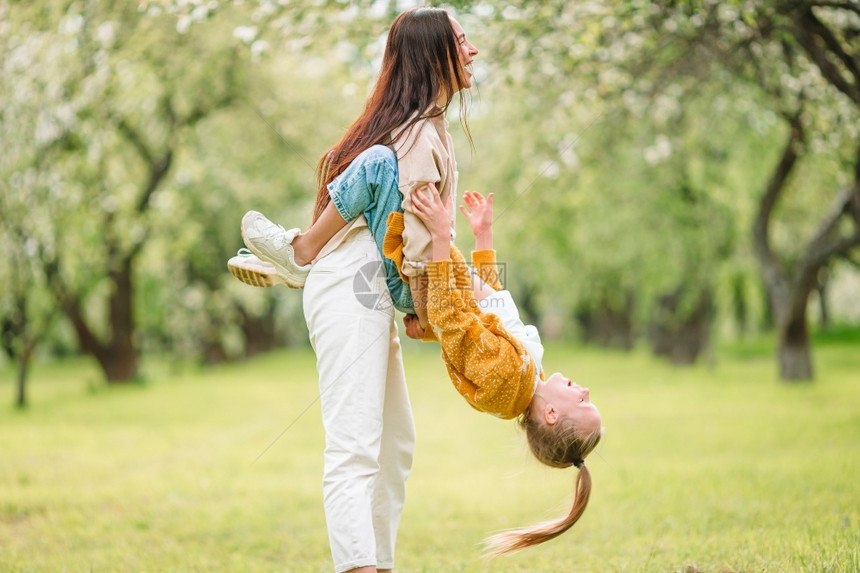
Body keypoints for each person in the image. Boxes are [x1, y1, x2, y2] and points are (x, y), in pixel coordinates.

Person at [227, 7, 478, 573]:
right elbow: (413, 234)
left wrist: (421, 304)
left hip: (370, 292)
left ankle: (377, 563)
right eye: (463, 41)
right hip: (350, 289)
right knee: (356, 448)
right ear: (435, 52)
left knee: (395, 450)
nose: (473, 52)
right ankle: (299, 253)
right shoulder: (413, 136)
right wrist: (423, 305)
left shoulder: (426, 127)